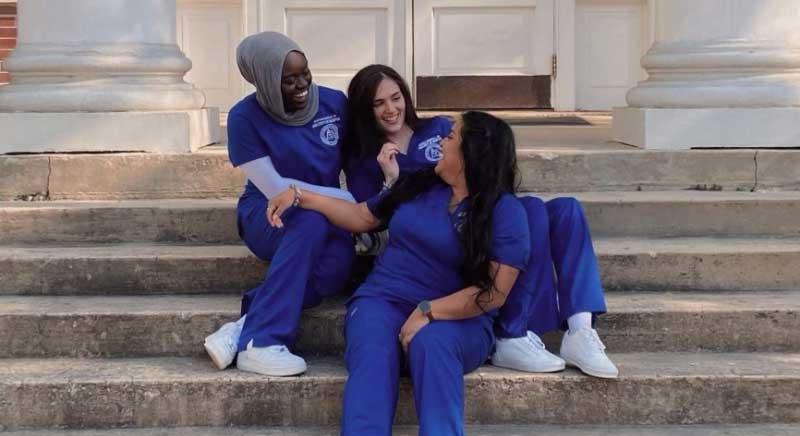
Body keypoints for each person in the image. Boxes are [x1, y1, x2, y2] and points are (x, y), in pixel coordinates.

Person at [343, 64, 618, 378]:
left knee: (565, 209)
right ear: (365, 110)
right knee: (530, 211)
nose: (391, 109)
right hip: (445, 234)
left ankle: (580, 329)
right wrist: (390, 181)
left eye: (395, 97)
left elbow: (482, 165)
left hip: (483, 210)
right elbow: (376, 217)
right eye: (378, 104)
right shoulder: (364, 159)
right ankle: (511, 332)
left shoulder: (437, 129)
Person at [268, 111, 530, 436]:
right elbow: (362, 216)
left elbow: (493, 292)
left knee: (432, 343)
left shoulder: (505, 212)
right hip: (382, 300)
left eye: (450, 137)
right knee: (373, 343)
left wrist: (429, 311)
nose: (441, 144)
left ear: (470, 152)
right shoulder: (419, 183)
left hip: (460, 320)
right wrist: (299, 195)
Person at [203, 31, 355, 376]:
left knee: (335, 269)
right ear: (265, 80)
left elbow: (358, 170)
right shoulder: (244, 117)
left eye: (305, 73)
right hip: (269, 213)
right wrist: (349, 202)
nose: (302, 84)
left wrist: (359, 206)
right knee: (308, 221)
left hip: (328, 213)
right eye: (289, 80)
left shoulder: (335, 104)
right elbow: (276, 190)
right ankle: (264, 341)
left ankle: (244, 326)